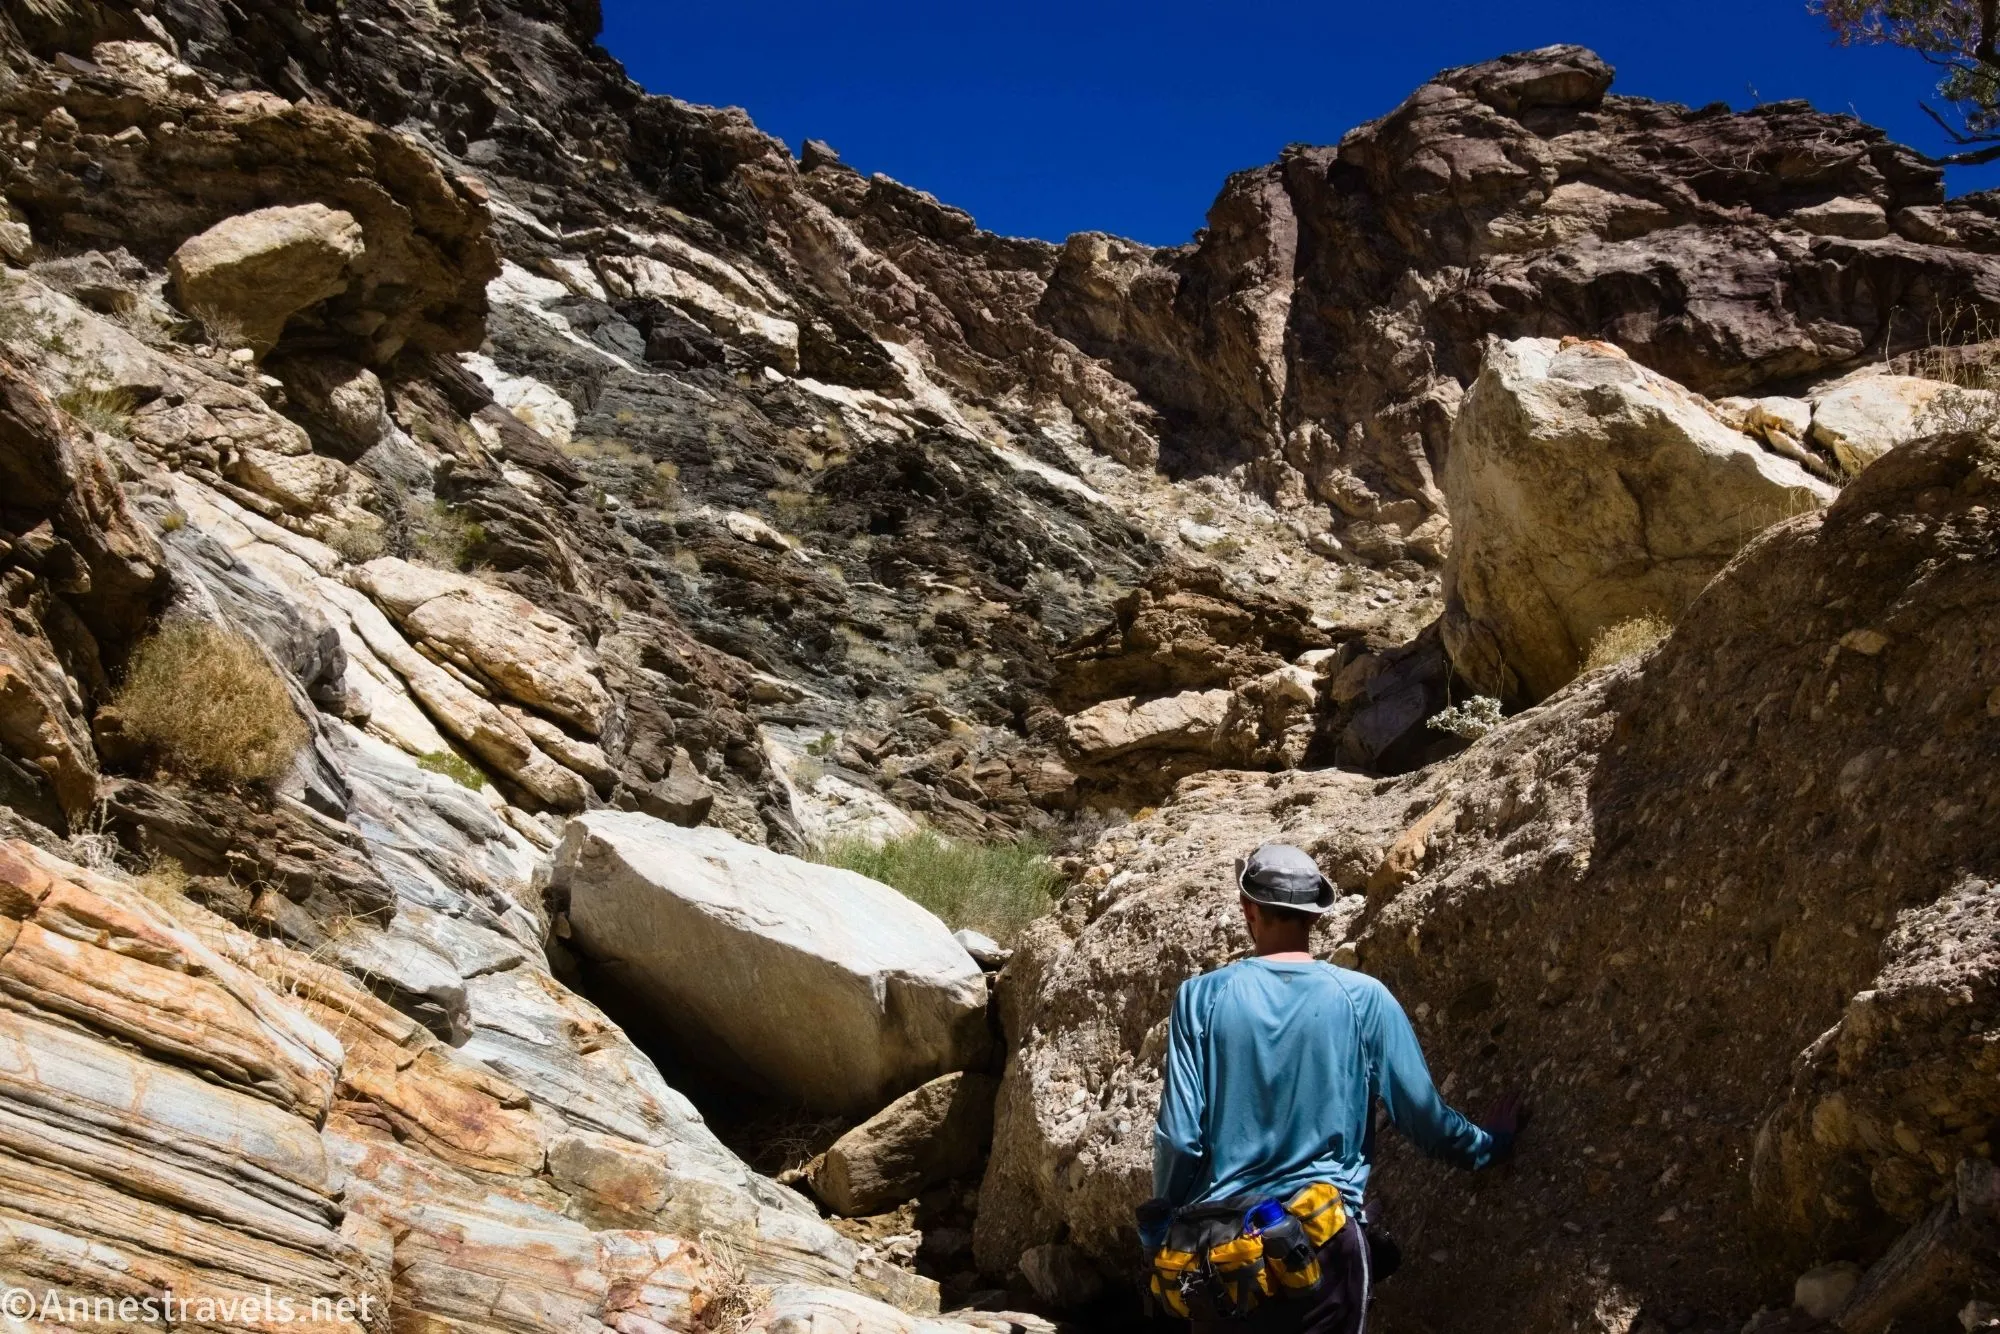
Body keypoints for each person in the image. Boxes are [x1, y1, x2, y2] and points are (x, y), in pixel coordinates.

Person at [1148, 843, 1524, 1334]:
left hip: (1226, 1260)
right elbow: (1423, 1117)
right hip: (1322, 1246)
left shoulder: (1200, 997)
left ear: (1248, 910)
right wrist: (1489, 1146)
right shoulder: (1364, 999)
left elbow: (1179, 1139)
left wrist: (1164, 1227)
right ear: (1315, 916)